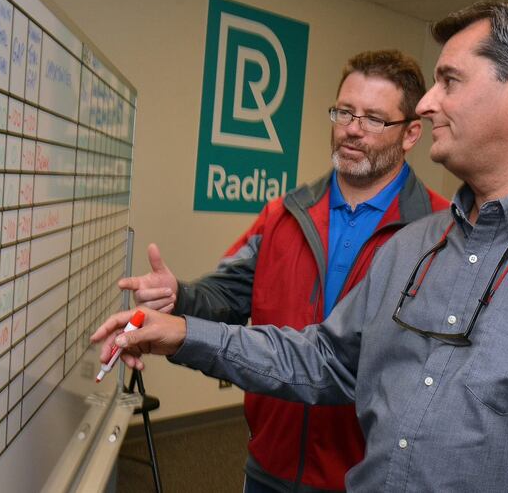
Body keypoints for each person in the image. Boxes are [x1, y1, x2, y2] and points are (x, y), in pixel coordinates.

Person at [94, 0, 508, 491]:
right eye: (345, 114)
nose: (428, 103)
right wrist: (184, 331)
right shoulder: (413, 247)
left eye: (449, 81)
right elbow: (323, 359)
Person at [117, 50, 448, 493]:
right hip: (270, 464)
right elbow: (228, 297)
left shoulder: (437, 233)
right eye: (345, 112)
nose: (352, 128)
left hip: (367, 477)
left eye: (373, 119)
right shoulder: (284, 215)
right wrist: (178, 295)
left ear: (410, 134)